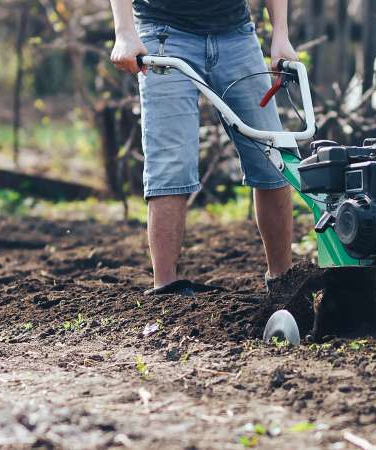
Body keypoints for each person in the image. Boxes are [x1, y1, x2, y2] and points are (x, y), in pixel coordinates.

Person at [108, 0, 299, 295]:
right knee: (172, 163)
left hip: (236, 33)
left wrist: (281, 35)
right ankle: (167, 291)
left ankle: (284, 283)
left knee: (273, 157)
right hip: (164, 34)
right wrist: (124, 32)